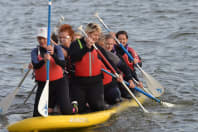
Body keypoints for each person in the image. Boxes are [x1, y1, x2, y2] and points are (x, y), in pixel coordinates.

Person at [31, 27, 75, 116]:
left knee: (66, 110)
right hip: (43, 84)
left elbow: (62, 64)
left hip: (59, 82)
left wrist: (53, 55)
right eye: (39, 38)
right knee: (36, 114)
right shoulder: (35, 51)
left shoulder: (57, 49)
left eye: (44, 38)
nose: (41, 41)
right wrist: (44, 60)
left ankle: (74, 106)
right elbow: (36, 65)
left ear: (48, 39)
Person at [69, 23, 105, 113]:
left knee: (98, 107)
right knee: (79, 110)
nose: (96, 37)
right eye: (94, 35)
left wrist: (124, 76)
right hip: (79, 83)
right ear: (87, 33)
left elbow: (110, 61)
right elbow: (74, 58)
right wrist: (87, 47)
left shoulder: (98, 47)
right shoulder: (76, 44)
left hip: (95, 82)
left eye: (98, 35)